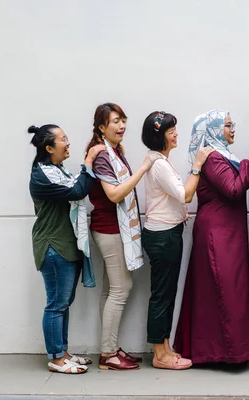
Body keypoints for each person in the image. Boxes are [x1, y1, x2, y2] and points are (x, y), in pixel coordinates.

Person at [174, 109, 249, 364]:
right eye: (227, 125)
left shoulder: (224, 156)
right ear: (214, 130)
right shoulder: (212, 158)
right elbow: (233, 189)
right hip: (217, 234)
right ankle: (221, 353)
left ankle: (224, 351)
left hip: (228, 232)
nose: (232, 129)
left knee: (227, 291)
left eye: (232, 124)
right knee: (224, 290)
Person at [86, 103, 159, 370]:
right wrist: (142, 169)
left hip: (114, 228)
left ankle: (110, 349)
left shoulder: (112, 151)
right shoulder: (104, 155)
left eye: (123, 120)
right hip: (109, 229)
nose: (122, 126)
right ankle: (108, 354)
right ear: (101, 127)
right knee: (121, 289)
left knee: (111, 290)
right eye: (115, 121)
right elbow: (114, 195)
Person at [28, 123, 105, 374]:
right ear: (49, 147)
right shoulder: (42, 175)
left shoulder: (56, 169)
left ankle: (63, 352)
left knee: (64, 302)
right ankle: (56, 357)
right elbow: (76, 190)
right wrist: (90, 160)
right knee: (56, 304)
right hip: (53, 246)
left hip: (66, 245)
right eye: (63, 139)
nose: (68, 142)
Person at [141, 111, 214, 370]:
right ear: (159, 136)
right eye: (171, 131)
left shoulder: (159, 160)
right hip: (162, 236)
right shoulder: (159, 164)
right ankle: (160, 355)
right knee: (162, 295)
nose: (176, 134)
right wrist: (197, 165)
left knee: (167, 293)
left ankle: (166, 347)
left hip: (167, 233)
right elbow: (185, 195)